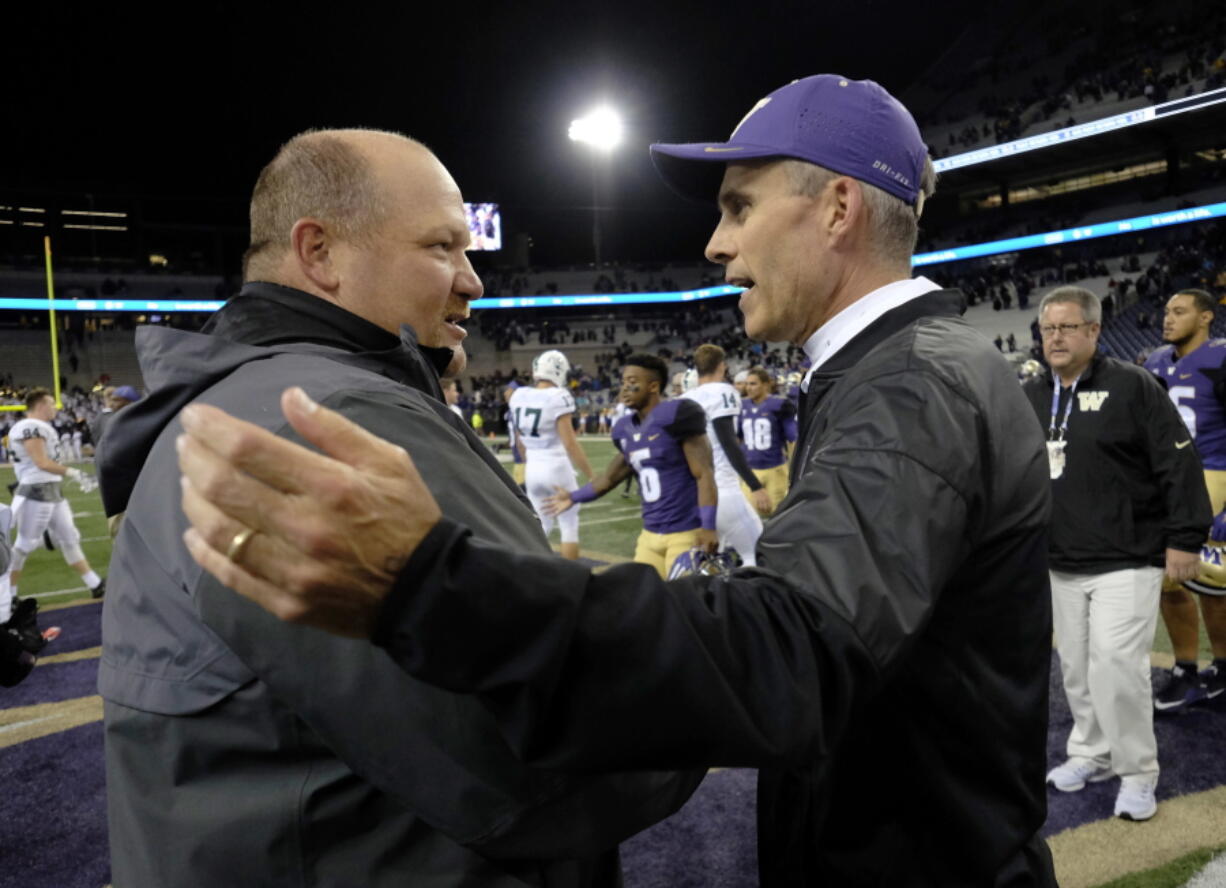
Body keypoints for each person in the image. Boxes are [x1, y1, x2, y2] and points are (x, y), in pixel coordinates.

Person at [177, 77, 1058, 886]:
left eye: (739, 207)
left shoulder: (911, 381)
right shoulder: (889, 369)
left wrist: (435, 584)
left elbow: (797, 656)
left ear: (837, 208)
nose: (716, 244)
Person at [97, 128, 700, 888]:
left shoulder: (236, 399)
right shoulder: (334, 415)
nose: (473, 280)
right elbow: (533, 761)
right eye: (442, 247)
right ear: (319, 253)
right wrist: (701, 704)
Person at [1023, 286, 1210, 823]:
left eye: (1066, 327)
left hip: (1128, 557)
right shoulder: (1034, 392)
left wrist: (1184, 539)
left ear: (1093, 331)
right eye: (1048, 329)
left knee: (1116, 667)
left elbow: (1178, 463)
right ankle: (1092, 754)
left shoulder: (1133, 386)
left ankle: (1137, 771)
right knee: (1077, 669)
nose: (1055, 338)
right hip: (1061, 558)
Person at [545, 353, 717, 578]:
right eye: (624, 382)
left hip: (685, 533)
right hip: (649, 535)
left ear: (654, 386)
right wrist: (573, 497)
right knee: (644, 602)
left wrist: (708, 526)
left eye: (633, 382)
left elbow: (704, 474)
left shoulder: (676, 415)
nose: (625, 388)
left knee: (686, 603)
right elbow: (609, 478)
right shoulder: (625, 429)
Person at [1144, 287, 1226, 707]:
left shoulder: (1221, 359)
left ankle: (1209, 669)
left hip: (1214, 473)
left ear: (1207, 317)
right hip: (1169, 478)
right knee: (1176, 578)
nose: (1168, 318)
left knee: (1209, 579)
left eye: (1179, 311)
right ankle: (1188, 669)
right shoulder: (1157, 361)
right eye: (1166, 311)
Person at [5, 388, 105, 612]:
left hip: (50, 490)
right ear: (40, 405)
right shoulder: (30, 427)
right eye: (51, 403)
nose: (55, 407)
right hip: (37, 490)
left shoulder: (36, 427)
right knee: (23, 545)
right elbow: (42, 462)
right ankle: (7, 597)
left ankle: (95, 584)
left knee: (70, 537)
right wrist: (75, 473)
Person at [682, 343, 769, 565]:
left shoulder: (684, 399)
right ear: (722, 366)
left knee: (711, 562)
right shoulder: (722, 392)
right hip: (722, 489)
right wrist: (755, 486)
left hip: (696, 494)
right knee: (756, 554)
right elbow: (728, 443)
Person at [509, 350, 594, 560]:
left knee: (542, 525)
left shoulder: (519, 395)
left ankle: (535, 575)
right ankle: (571, 583)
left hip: (533, 468)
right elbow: (569, 443)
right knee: (569, 526)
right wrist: (592, 476)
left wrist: (530, 463)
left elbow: (520, 441)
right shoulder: (559, 396)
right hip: (555, 465)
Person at [739, 366, 797, 513]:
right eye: (747, 384)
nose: (749, 388)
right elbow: (738, 439)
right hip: (751, 471)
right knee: (749, 516)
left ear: (765, 385)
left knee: (777, 515)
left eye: (753, 383)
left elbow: (793, 438)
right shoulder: (741, 406)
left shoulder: (778, 405)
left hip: (775, 469)